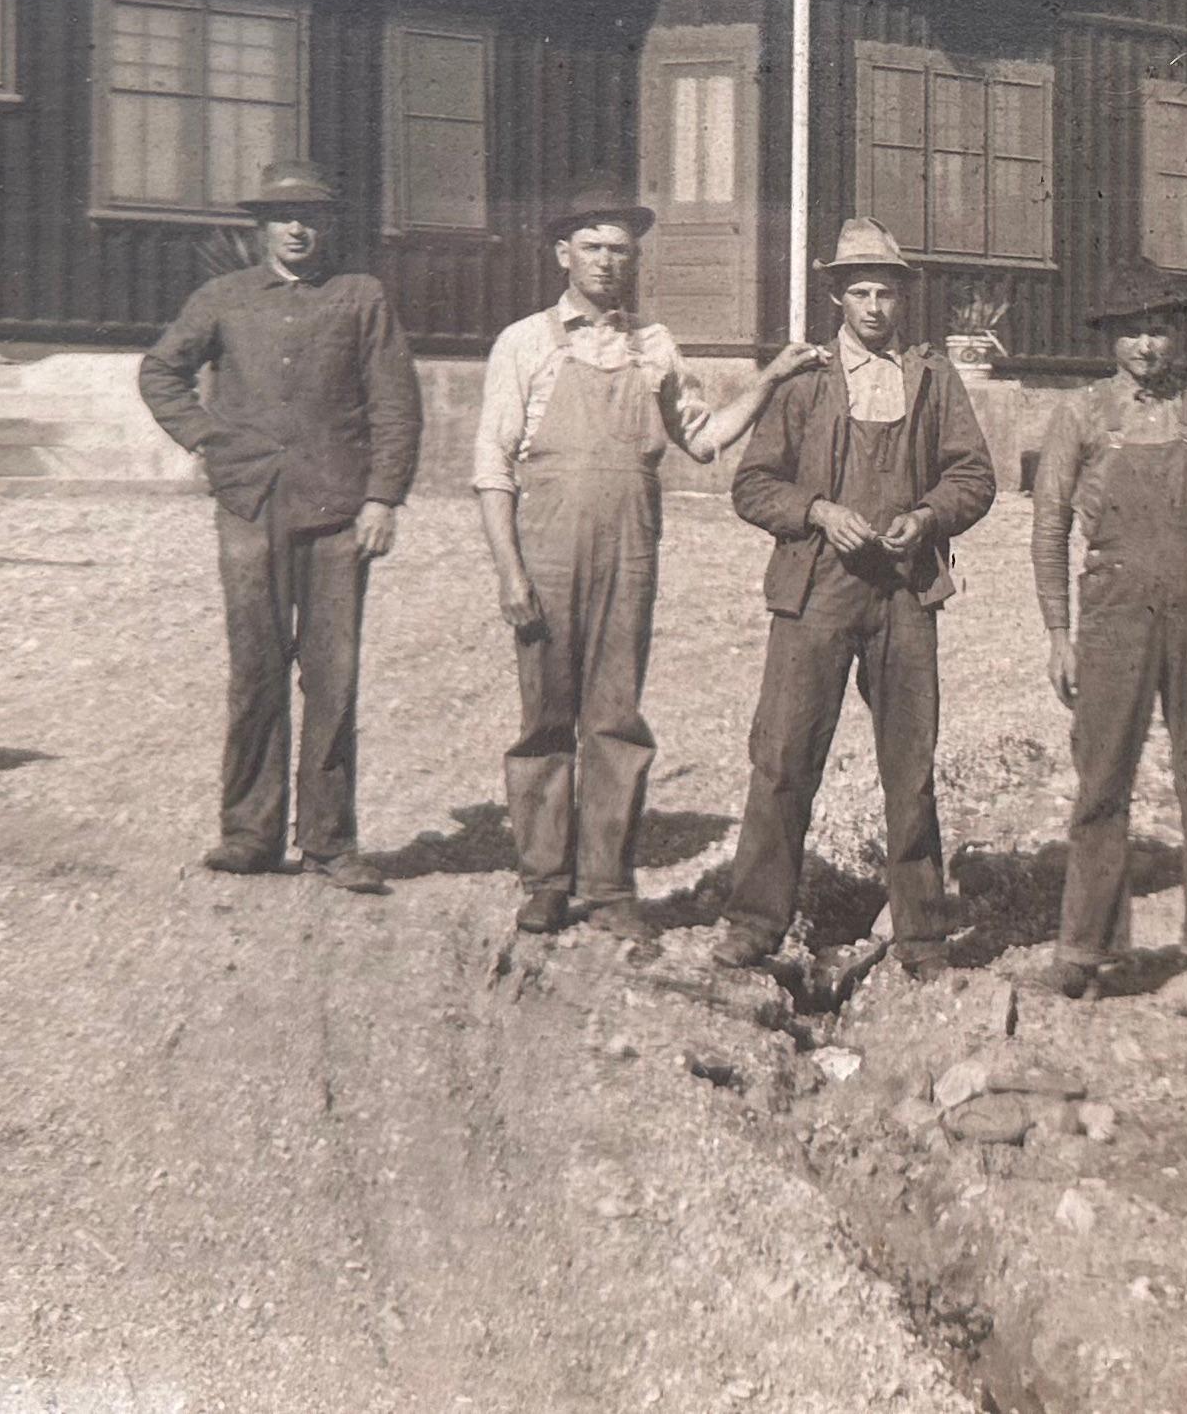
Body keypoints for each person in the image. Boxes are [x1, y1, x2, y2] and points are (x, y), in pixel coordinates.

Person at [472, 187, 819, 946]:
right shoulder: (523, 343)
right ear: (563, 253)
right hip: (548, 548)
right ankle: (543, 882)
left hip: (630, 549)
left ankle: (606, 885)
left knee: (616, 718)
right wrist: (509, 573)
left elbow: (703, 439)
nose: (607, 262)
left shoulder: (655, 347)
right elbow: (493, 470)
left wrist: (772, 378)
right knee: (544, 719)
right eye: (593, 246)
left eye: (621, 249)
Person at [714, 219, 1001, 979]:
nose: (874, 307)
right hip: (815, 591)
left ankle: (921, 935)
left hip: (903, 593)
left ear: (902, 299)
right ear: (837, 298)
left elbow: (973, 476)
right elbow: (753, 484)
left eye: (886, 293)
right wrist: (817, 512)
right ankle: (754, 921)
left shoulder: (932, 379)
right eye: (860, 293)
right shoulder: (805, 383)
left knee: (909, 763)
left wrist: (928, 516)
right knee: (783, 757)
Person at [138, 160, 425, 886]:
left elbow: (395, 406)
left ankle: (329, 842)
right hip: (250, 506)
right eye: (281, 217)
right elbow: (160, 372)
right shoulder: (223, 298)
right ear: (261, 227)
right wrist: (206, 439)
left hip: (336, 511)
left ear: (328, 226)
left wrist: (382, 498)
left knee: (332, 677)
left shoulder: (361, 298)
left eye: (310, 218)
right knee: (256, 671)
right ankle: (249, 834)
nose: (296, 230)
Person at [1026, 267, 1187, 1005]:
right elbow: (1048, 528)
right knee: (1101, 779)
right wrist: (1058, 633)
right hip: (1111, 617)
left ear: (1176, 334)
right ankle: (1085, 949)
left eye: (1159, 329)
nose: (1146, 345)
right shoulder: (1080, 416)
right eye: (1132, 330)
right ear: (1111, 338)